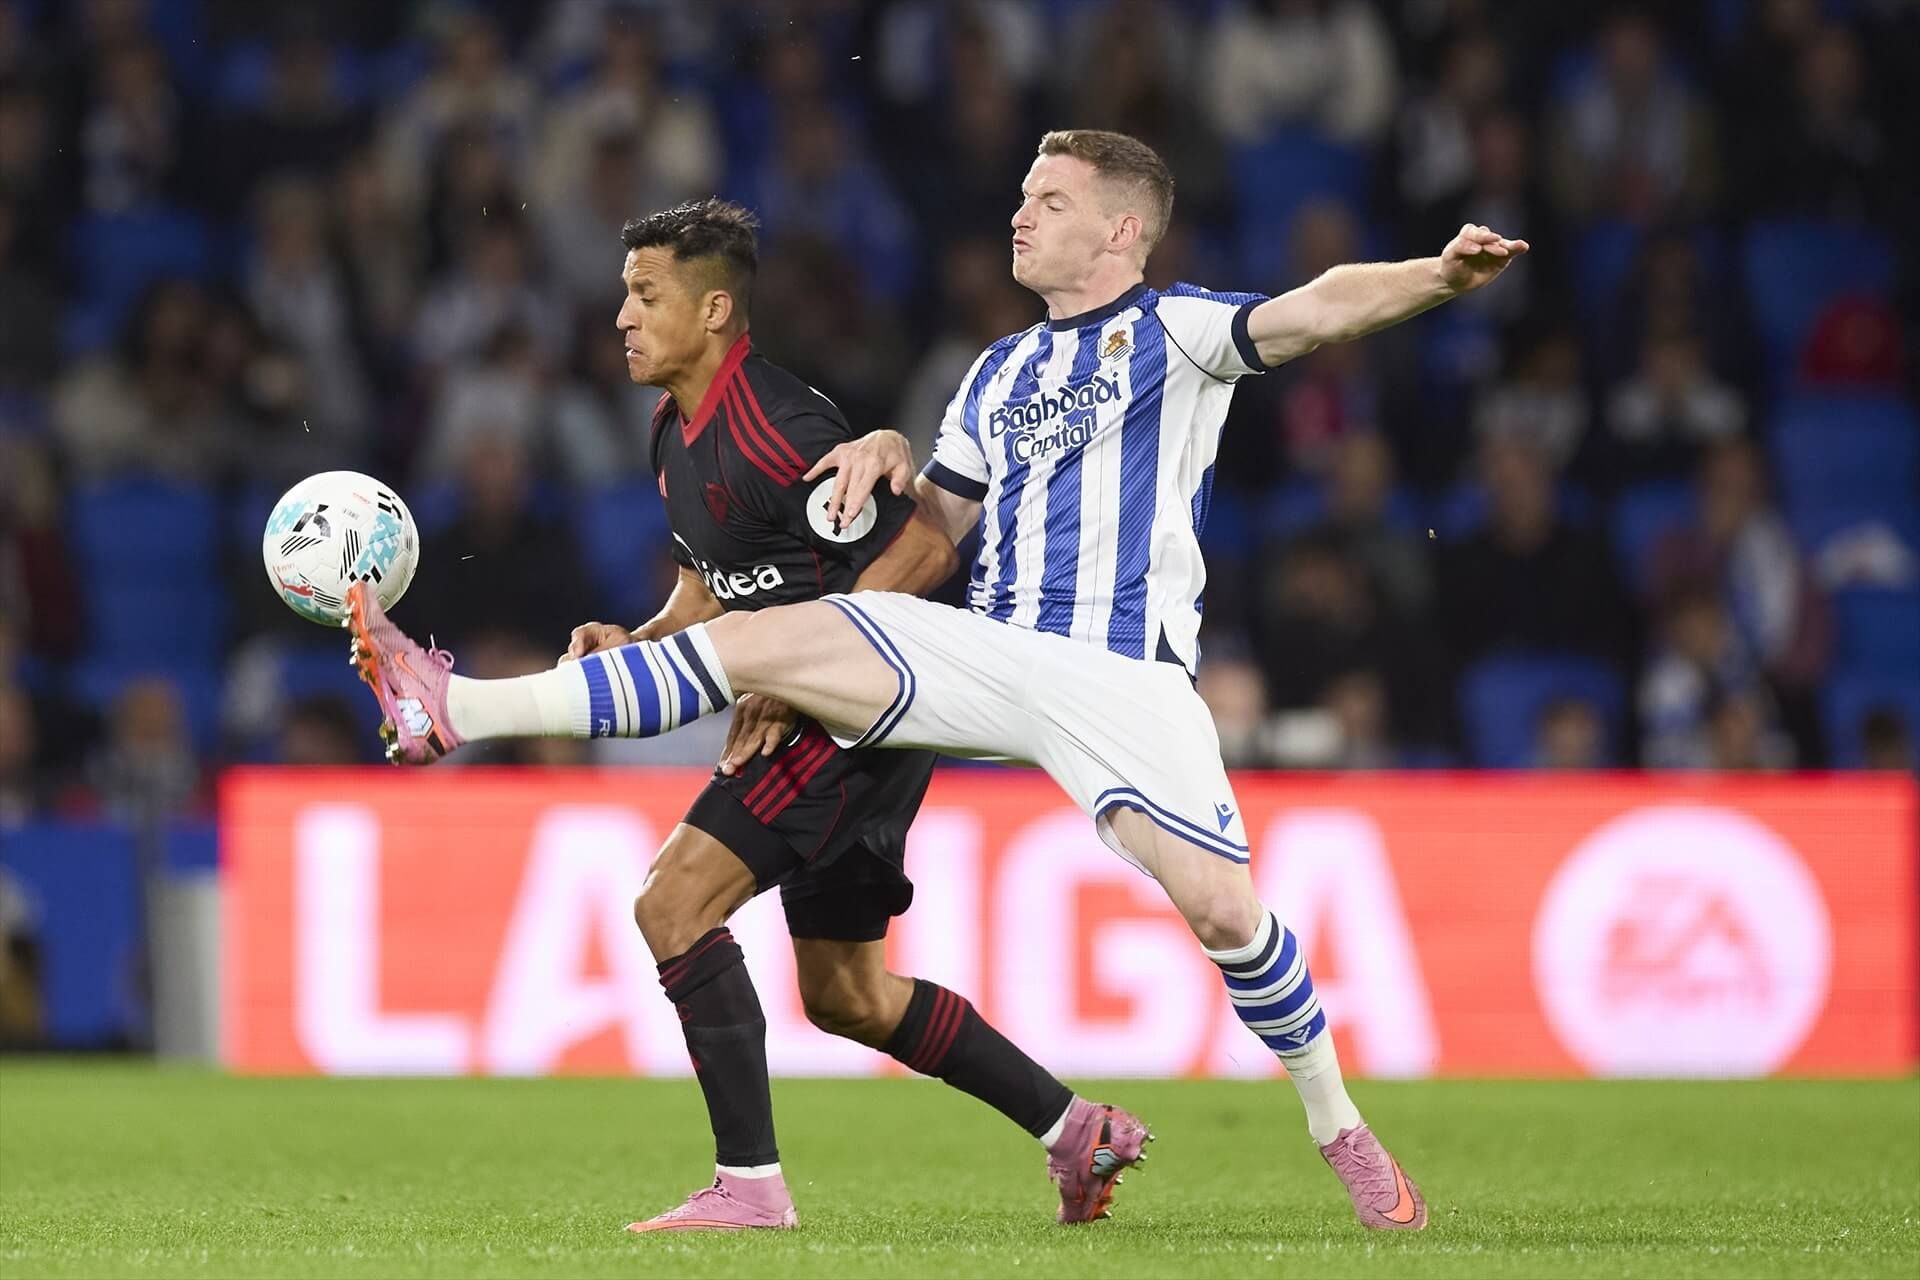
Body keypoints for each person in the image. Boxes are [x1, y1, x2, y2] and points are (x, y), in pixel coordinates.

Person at [350, 130, 1529, 1231]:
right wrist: (880, 509)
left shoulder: (1174, 331)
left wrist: (1433, 275)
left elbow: (1312, 311)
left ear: (1122, 232)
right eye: (1021, 194)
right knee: (773, 641)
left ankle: (1341, 1125)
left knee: (1225, 912)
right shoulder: (995, 374)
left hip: (1121, 676)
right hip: (982, 651)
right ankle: (459, 704)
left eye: (1050, 200)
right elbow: (933, 541)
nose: (1018, 215)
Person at [427, 199, 1127, 1233]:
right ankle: (1077, 1130)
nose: (621, 313)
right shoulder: (676, 430)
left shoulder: (778, 428)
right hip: (837, 717)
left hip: (851, 720)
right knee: (848, 993)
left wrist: (804, 673)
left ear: (715, 310)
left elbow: (924, 553)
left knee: (672, 903)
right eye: (624, 290)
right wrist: (643, 635)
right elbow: (717, 586)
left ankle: (749, 1186)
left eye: (645, 293)